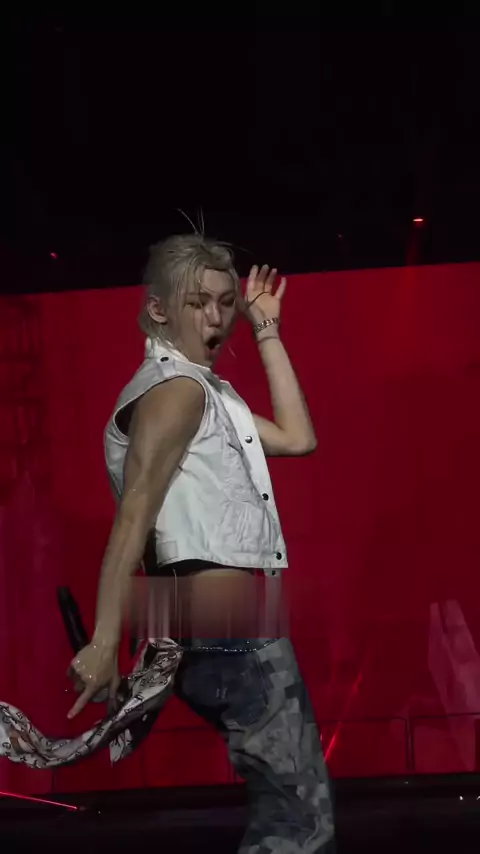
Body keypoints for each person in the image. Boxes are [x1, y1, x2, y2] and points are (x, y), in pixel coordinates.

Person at [68, 234, 335, 854]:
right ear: (159, 309)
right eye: (197, 303)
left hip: (200, 619)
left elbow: (298, 438)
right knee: (298, 817)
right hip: (224, 619)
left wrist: (266, 329)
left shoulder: (204, 391)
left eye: (225, 302)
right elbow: (133, 519)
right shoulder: (178, 391)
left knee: (292, 806)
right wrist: (104, 641)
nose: (217, 318)